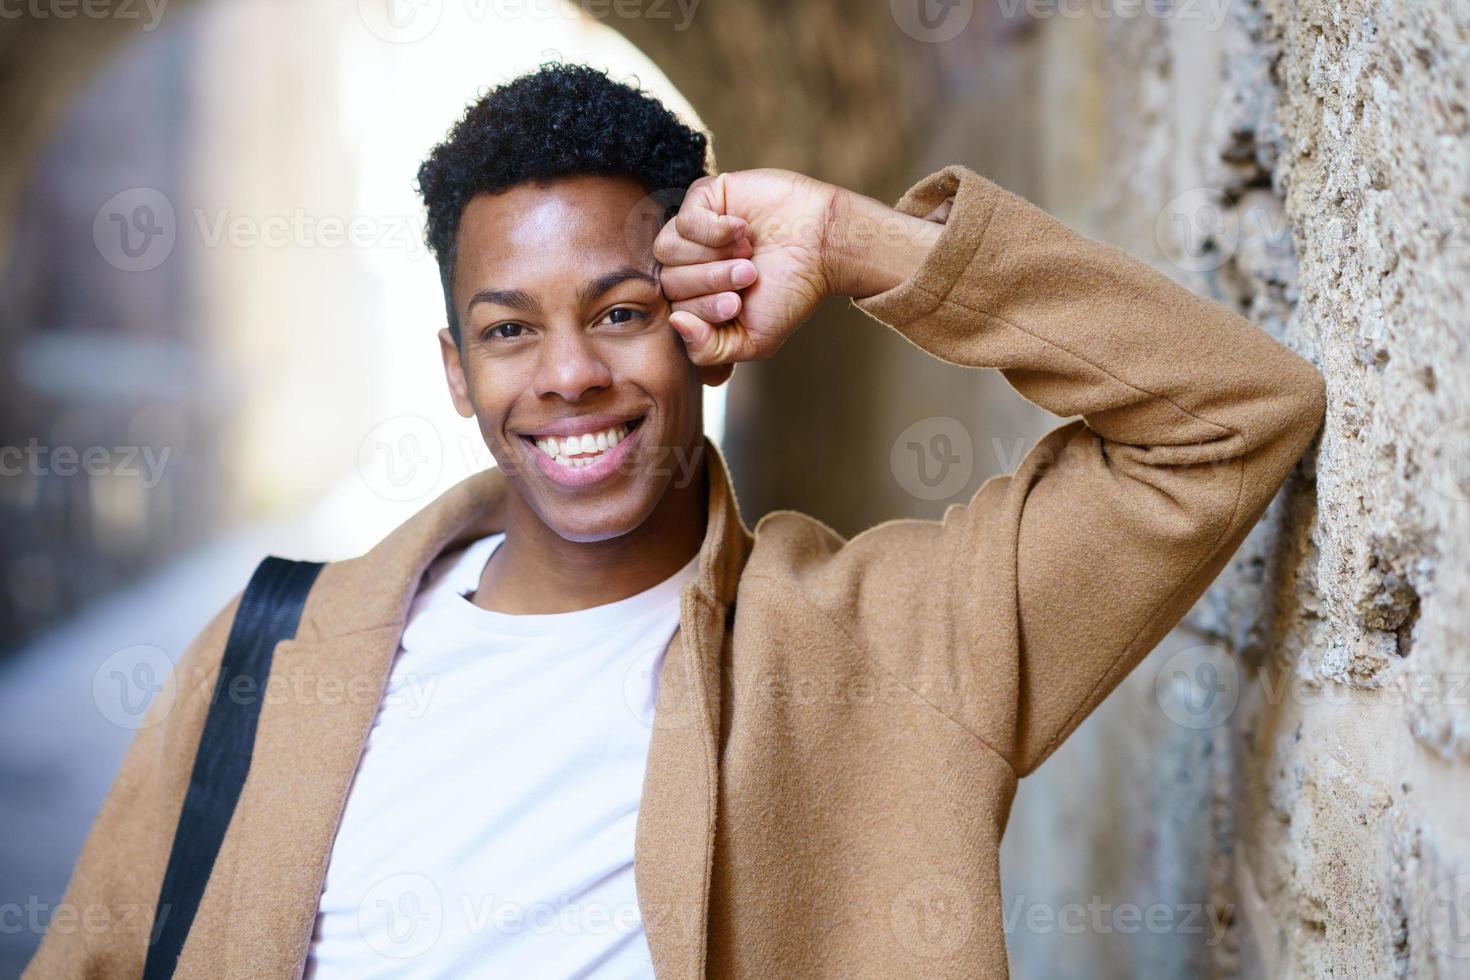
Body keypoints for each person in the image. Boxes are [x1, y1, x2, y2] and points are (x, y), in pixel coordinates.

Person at [28, 63, 1325, 978]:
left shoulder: (892, 653)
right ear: (453, 369)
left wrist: (857, 240)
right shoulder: (267, 660)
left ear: (705, 325)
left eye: (620, 311)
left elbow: (1227, 417)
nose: (567, 375)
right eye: (507, 330)